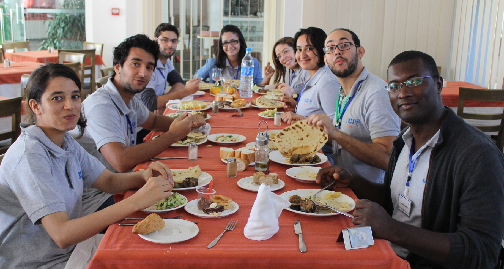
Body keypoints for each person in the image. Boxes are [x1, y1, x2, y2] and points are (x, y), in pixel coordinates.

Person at [316, 51, 504, 268]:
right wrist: (354, 181)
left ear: (438, 84)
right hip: (388, 250)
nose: (403, 93)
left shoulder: (477, 156)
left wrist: (392, 230)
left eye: (414, 82)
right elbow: (395, 203)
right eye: (394, 86)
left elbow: (483, 252)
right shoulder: (404, 142)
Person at [0, 63, 175, 268]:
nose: (70, 105)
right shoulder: (30, 156)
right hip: (42, 262)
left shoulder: (65, 141)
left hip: (75, 249)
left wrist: (143, 176)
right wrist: (136, 201)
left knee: (160, 251)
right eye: (57, 98)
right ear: (35, 106)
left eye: (75, 96)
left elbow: (108, 181)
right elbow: (62, 234)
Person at [71, 34, 204, 214]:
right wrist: (173, 134)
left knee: (194, 191)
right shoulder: (101, 105)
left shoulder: (127, 97)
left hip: (125, 180)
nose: (143, 73)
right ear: (118, 67)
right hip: (96, 197)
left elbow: (154, 120)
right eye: (136, 64)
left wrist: (187, 122)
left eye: (149, 67)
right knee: (180, 207)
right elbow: (121, 161)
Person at [306, 28, 400, 183]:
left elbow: (386, 158)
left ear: (360, 51)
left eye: (344, 45)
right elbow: (345, 142)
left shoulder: (376, 92)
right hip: (342, 183)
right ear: (326, 60)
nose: (337, 52)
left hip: (368, 195)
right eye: (330, 48)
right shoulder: (343, 92)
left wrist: (335, 133)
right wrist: (319, 132)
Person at [280, 27, 340, 125]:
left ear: (321, 50)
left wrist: (303, 120)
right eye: (299, 49)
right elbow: (315, 111)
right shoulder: (313, 75)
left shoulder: (327, 82)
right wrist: (296, 107)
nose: (302, 55)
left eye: (309, 49)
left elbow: (336, 126)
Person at [138, 23, 201, 113]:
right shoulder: (148, 65)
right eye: (165, 40)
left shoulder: (166, 61)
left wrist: (163, 102)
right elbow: (150, 103)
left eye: (174, 41)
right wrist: (186, 91)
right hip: (141, 120)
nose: (170, 45)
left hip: (156, 114)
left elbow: (179, 83)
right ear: (155, 41)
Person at [194, 24, 273, 85]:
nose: (230, 46)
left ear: (240, 42)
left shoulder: (252, 62)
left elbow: (259, 87)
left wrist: (267, 78)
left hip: (244, 102)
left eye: (233, 41)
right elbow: (195, 79)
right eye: (225, 43)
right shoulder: (213, 63)